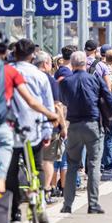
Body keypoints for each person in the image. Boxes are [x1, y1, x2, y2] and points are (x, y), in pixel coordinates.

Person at [0, 31, 57, 196]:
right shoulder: (9, 72)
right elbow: (31, 101)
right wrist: (51, 115)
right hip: (3, 127)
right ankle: (0, 216)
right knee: (0, 177)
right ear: (5, 52)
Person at [58, 51, 112, 215]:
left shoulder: (66, 82)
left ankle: (67, 204)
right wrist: (111, 116)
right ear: (85, 64)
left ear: (72, 63)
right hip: (92, 125)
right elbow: (110, 99)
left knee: (72, 165)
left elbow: (62, 99)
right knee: (94, 165)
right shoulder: (94, 79)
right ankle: (93, 204)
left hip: (74, 126)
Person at [7, 39, 58, 221]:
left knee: (11, 171)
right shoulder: (40, 75)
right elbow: (47, 103)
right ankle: (39, 200)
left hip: (11, 129)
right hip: (35, 127)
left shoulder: (7, 72)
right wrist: (48, 128)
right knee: (37, 167)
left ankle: (14, 211)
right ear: (32, 55)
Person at [34, 51, 67, 199]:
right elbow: (57, 105)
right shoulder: (49, 80)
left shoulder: (27, 78)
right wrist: (63, 126)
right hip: (48, 125)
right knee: (48, 160)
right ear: (45, 63)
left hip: (29, 125)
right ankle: (45, 191)